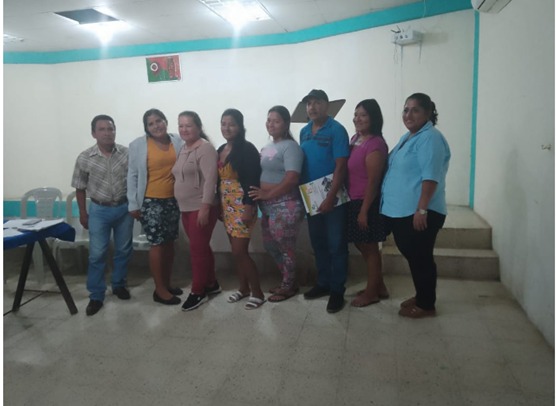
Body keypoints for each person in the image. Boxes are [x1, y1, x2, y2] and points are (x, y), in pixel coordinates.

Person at [380, 93, 451, 318]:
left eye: (415, 110)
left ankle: (426, 305)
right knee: (414, 255)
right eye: (406, 109)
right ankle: (422, 295)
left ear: (428, 113)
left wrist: (422, 209)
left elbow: (431, 176)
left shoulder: (430, 138)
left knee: (421, 257)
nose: (408, 114)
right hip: (403, 211)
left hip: (421, 211)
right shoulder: (409, 137)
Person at [71, 114, 134, 316]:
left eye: (111, 128)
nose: (107, 133)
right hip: (99, 210)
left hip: (124, 209)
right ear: (94, 133)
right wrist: (83, 213)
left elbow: (135, 180)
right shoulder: (84, 157)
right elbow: (79, 188)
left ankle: (119, 284)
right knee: (97, 253)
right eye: (102, 129)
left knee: (123, 250)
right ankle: (96, 295)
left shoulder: (126, 154)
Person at [299, 89, 350, 313]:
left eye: (317, 102)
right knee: (318, 242)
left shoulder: (337, 130)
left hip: (333, 197)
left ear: (327, 105)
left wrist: (330, 197)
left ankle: (337, 290)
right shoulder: (304, 132)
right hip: (311, 196)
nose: (312, 107)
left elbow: (341, 166)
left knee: (336, 244)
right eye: (309, 103)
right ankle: (323, 283)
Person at [248, 106, 305, 302]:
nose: (271, 124)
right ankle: (288, 281)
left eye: (276, 121)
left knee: (285, 246)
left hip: (285, 204)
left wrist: (267, 193)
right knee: (271, 245)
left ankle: (288, 286)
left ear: (286, 124)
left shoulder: (291, 147)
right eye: (269, 120)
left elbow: (292, 178)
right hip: (267, 206)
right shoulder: (267, 147)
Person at [128, 108, 184, 305]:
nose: (156, 126)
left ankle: (166, 284)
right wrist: (133, 203)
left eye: (159, 121)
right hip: (151, 201)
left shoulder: (177, 141)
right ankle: (159, 289)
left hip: (173, 200)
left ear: (165, 121)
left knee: (169, 244)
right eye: (151, 124)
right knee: (157, 244)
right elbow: (132, 175)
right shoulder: (138, 145)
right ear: (146, 128)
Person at [172, 111, 221, 311]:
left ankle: (198, 291)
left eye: (188, 125)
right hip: (185, 208)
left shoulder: (205, 148)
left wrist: (205, 207)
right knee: (200, 247)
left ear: (198, 127)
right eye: (180, 125)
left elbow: (211, 180)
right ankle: (211, 283)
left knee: (196, 251)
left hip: (200, 207)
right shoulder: (183, 148)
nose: (184, 129)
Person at [217, 108, 265, 310]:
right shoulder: (221, 149)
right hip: (226, 206)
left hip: (242, 205)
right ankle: (243, 288)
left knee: (240, 251)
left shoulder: (247, 149)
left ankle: (258, 292)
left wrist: (248, 207)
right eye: (223, 124)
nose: (227, 128)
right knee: (235, 252)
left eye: (232, 124)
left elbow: (253, 180)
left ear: (240, 126)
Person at [346, 99, 389, 307]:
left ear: (373, 118)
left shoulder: (375, 144)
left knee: (370, 247)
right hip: (353, 199)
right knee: (362, 244)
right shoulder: (355, 139)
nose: (358, 119)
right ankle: (379, 286)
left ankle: (372, 293)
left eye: (363, 115)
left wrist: (364, 211)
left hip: (366, 202)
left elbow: (373, 181)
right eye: (356, 114)